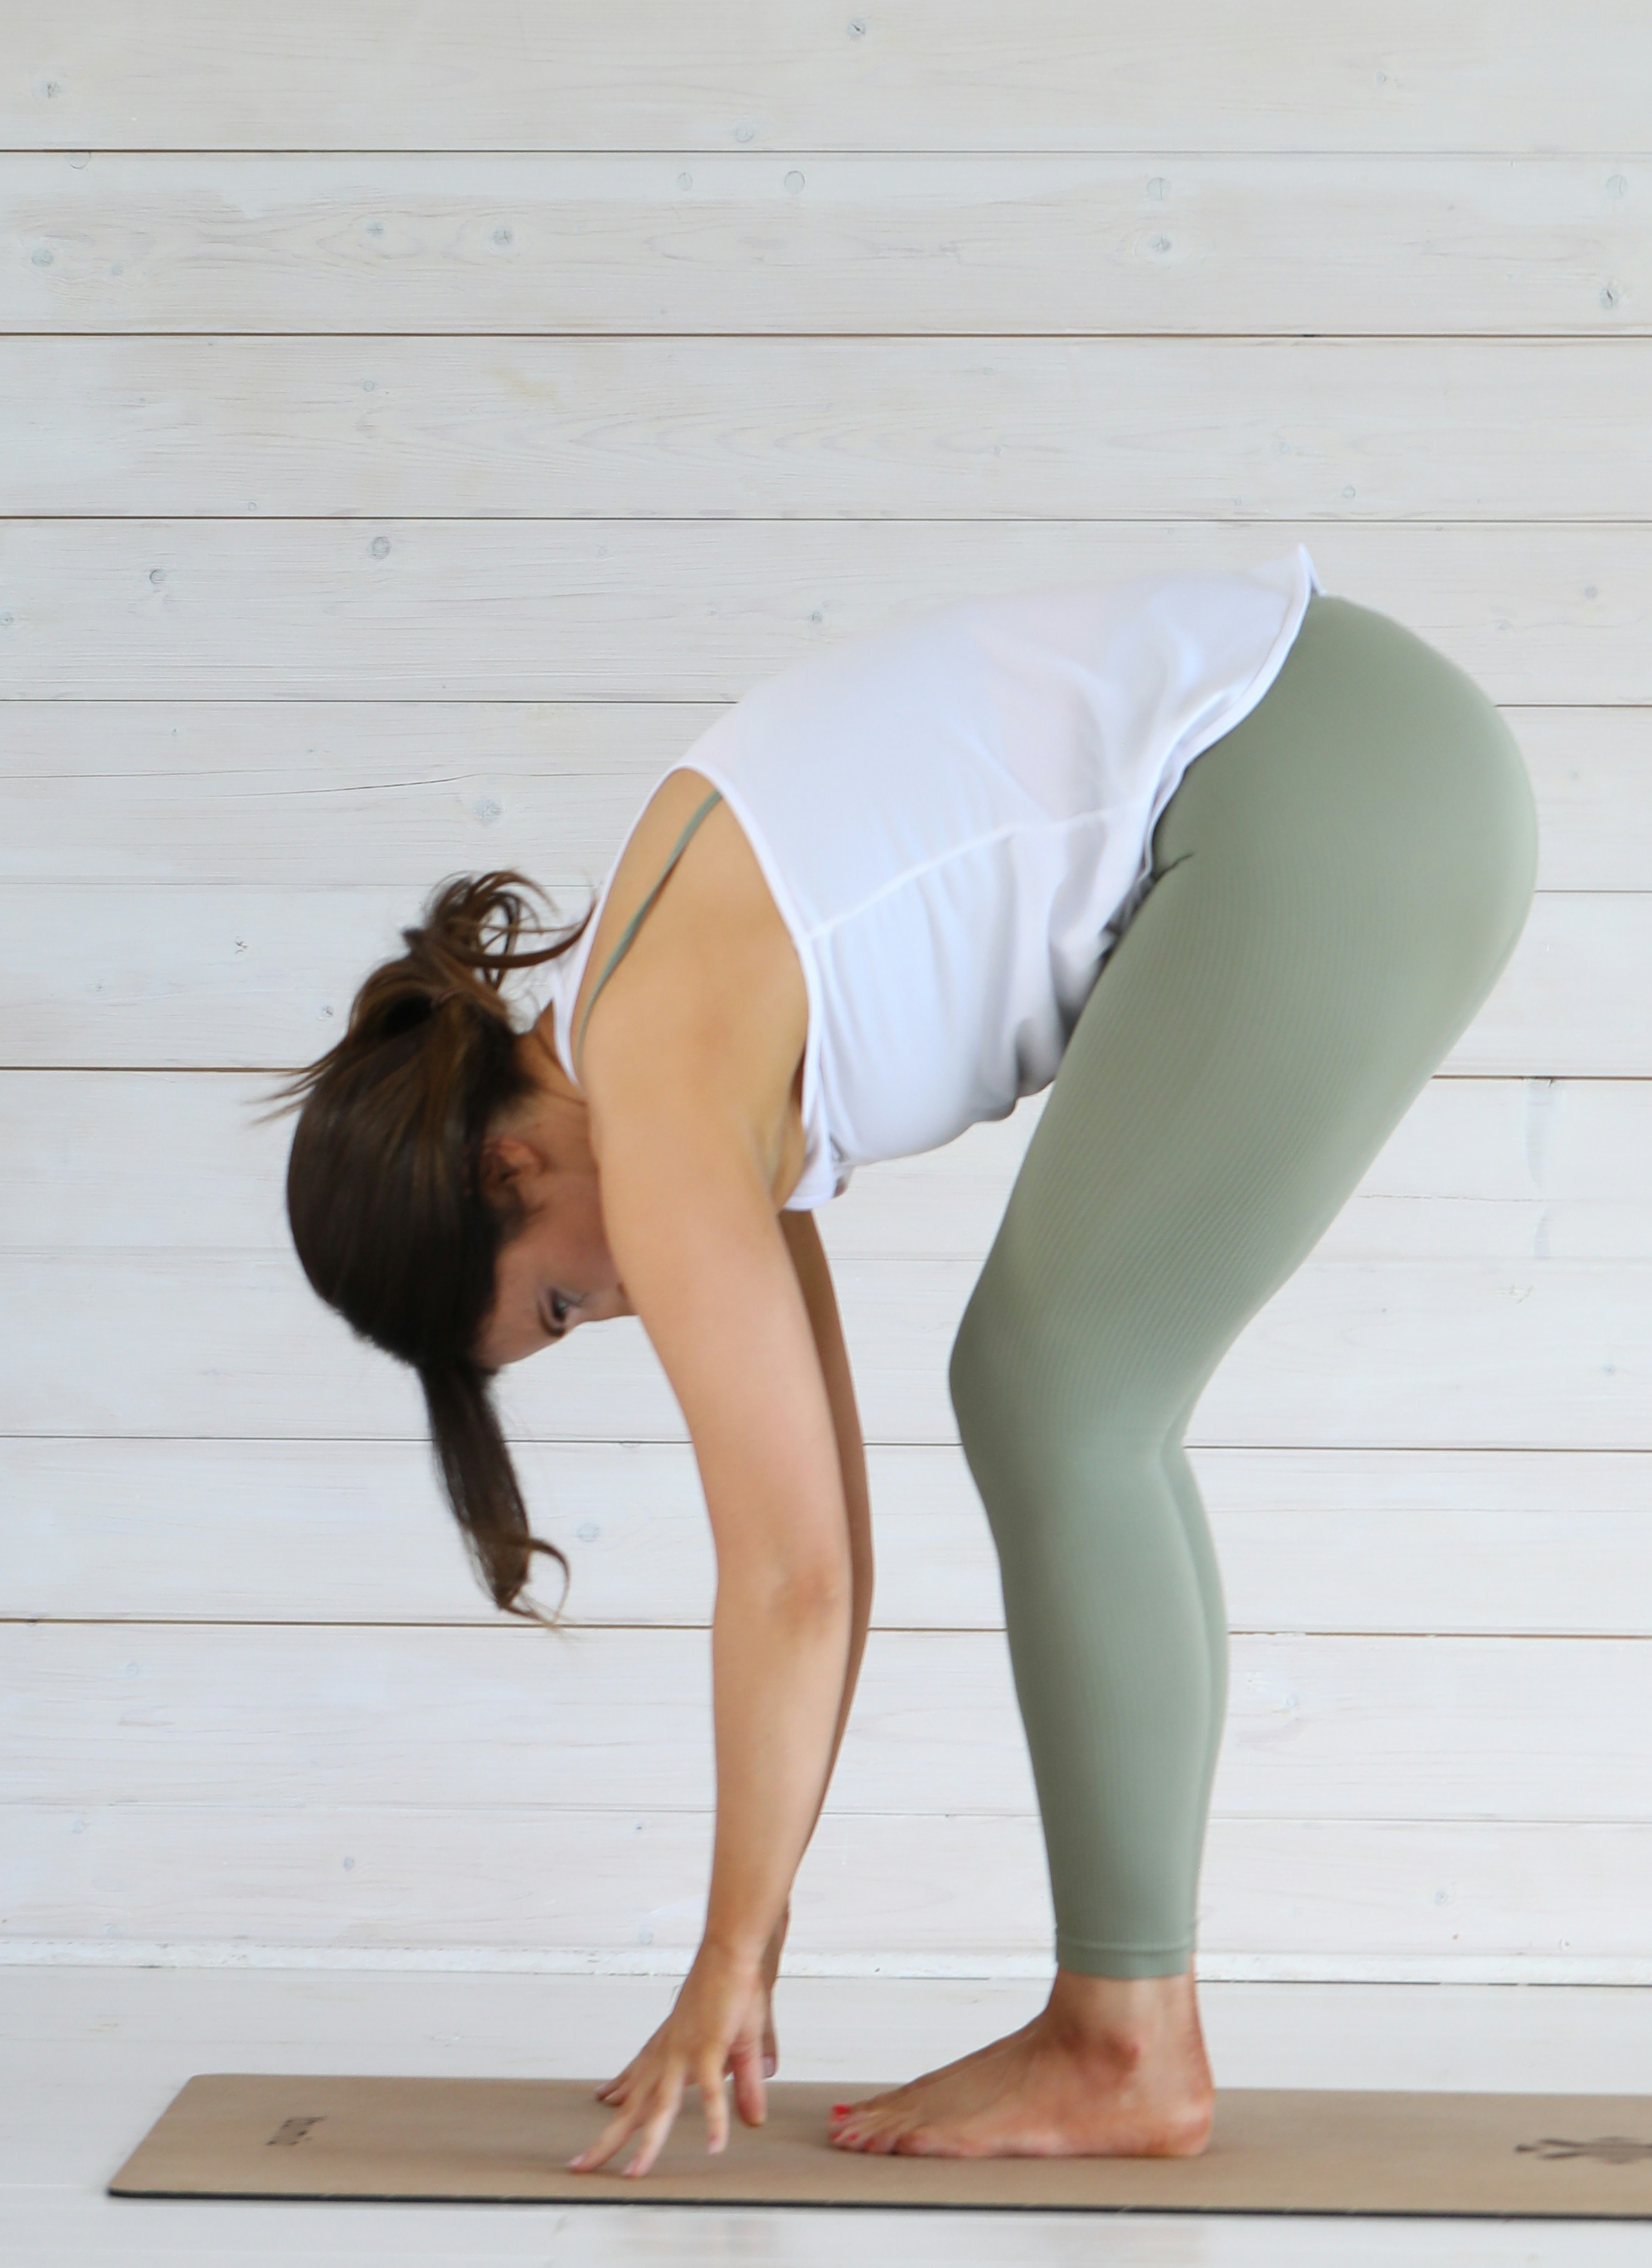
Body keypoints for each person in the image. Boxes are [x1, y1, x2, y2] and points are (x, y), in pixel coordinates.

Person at [278, 554, 1536, 2180]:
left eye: (557, 1311)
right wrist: (761, 1914)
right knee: (1047, 1394)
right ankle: (1122, 2021)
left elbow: (785, 1575)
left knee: (1056, 1391)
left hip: (1316, 771)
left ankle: (1123, 2042)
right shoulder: (664, 1023)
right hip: (1349, 752)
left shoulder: (653, 1092)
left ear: (509, 1181)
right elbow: (829, 1549)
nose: (619, 1310)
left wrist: (721, 1956)